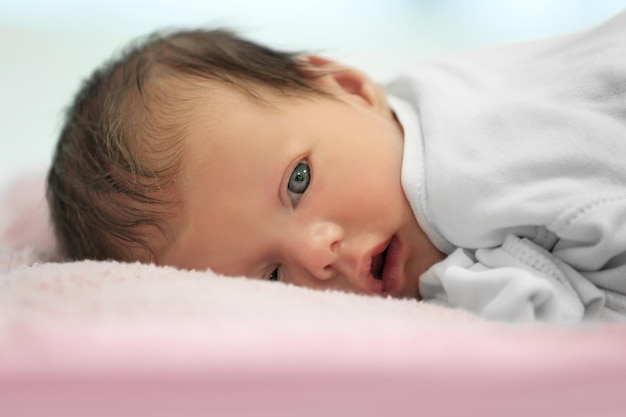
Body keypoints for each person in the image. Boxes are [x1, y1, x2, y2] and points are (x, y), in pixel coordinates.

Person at [47, 10, 626, 324]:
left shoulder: (472, 168)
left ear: (350, 87)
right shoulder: (401, 124)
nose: (317, 253)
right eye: (272, 276)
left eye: (298, 181)